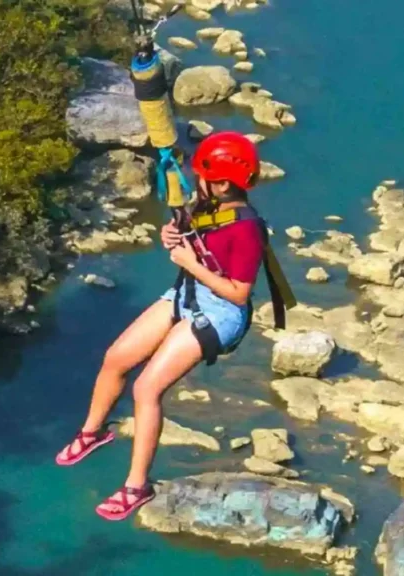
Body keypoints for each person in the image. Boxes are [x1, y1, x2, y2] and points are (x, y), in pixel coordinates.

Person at [54, 131, 268, 521]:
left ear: (222, 183)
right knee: (116, 357)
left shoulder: (247, 229)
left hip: (220, 313)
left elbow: (239, 293)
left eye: (204, 175)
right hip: (188, 292)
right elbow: (186, 234)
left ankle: (137, 485)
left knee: (146, 388)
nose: (198, 180)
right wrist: (172, 234)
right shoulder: (208, 204)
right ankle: (93, 432)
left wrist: (190, 264)